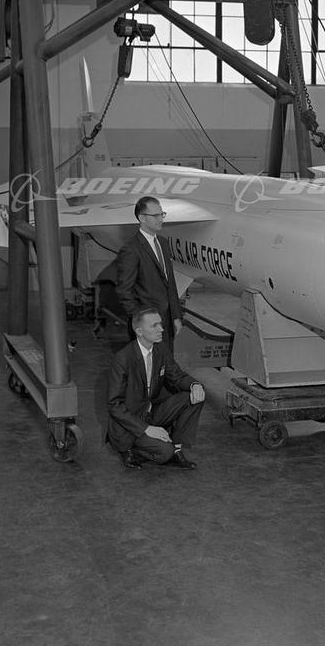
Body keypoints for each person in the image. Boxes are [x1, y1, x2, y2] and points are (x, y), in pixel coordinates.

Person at [105, 306, 205, 470]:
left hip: (151, 411)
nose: (162, 329)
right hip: (130, 424)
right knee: (165, 452)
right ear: (139, 331)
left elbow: (177, 376)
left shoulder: (161, 349)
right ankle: (130, 450)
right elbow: (114, 405)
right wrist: (146, 429)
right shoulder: (123, 359)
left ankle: (176, 449)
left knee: (195, 396)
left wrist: (195, 385)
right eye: (154, 325)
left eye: (161, 324)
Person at [115, 196, 183, 347]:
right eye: (155, 215)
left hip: (166, 321)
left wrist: (176, 316)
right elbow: (124, 291)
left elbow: (170, 283)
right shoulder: (131, 249)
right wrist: (142, 320)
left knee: (165, 358)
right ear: (142, 218)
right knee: (147, 361)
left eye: (162, 214)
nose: (161, 219)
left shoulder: (163, 243)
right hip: (147, 326)